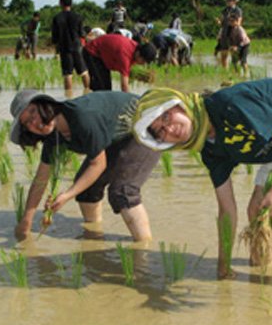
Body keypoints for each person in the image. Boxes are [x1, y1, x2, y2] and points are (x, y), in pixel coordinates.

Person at [132, 79, 272, 288]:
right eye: (160, 131)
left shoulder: (230, 105)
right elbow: (227, 209)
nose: (169, 129)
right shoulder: (210, 151)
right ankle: (263, 274)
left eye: (167, 116)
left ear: (180, 104)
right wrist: (223, 262)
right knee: (256, 208)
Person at [10, 89, 160, 242]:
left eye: (33, 112)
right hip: (116, 136)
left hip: (149, 126)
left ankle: (143, 251)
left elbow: (98, 165)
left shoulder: (82, 115)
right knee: (87, 191)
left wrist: (67, 195)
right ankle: (94, 238)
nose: (34, 122)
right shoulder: (53, 137)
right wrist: (26, 223)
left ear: (45, 105)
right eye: (27, 122)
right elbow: (41, 179)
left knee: (123, 191)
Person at [81, 34, 157, 92]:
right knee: (101, 88)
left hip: (102, 55)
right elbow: (124, 86)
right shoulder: (125, 55)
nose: (142, 64)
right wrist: (132, 103)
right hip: (91, 52)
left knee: (106, 88)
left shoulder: (134, 48)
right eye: (143, 61)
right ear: (139, 54)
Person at [51, 0, 89, 93]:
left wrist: (55, 47)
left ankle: (68, 97)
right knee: (84, 72)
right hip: (77, 46)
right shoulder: (77, 17)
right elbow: (82, 33)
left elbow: (54, 37)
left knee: (68, 74)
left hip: (64, 47)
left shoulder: (57, 18)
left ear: (60, 3)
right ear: (71, 3)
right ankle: (87, 91)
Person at [215, 0, 243, 69]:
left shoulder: (238, 10)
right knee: (223, 54)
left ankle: (236, 70)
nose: (228, 2)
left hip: (233, 34)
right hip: (224, 33)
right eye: (228, 0)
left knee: (234, 54)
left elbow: (239, 22)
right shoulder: (225, 10)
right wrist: (219, 23)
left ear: (234, 1)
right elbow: (222, 23)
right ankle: (225, 71)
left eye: (230, 0)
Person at [226, 13, 251, 77]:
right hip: (235, 45)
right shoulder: (229, 29)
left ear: (237, 21)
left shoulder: (240, 29)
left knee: (243, 61)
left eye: (233, 21)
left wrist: (238, 47)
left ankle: (246, 74)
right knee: (234, 61)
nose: (231, 22)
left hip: (245, 45)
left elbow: (243, 40)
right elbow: (228, 39)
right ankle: (237, 73)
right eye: (230, 21)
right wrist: (230, 46)